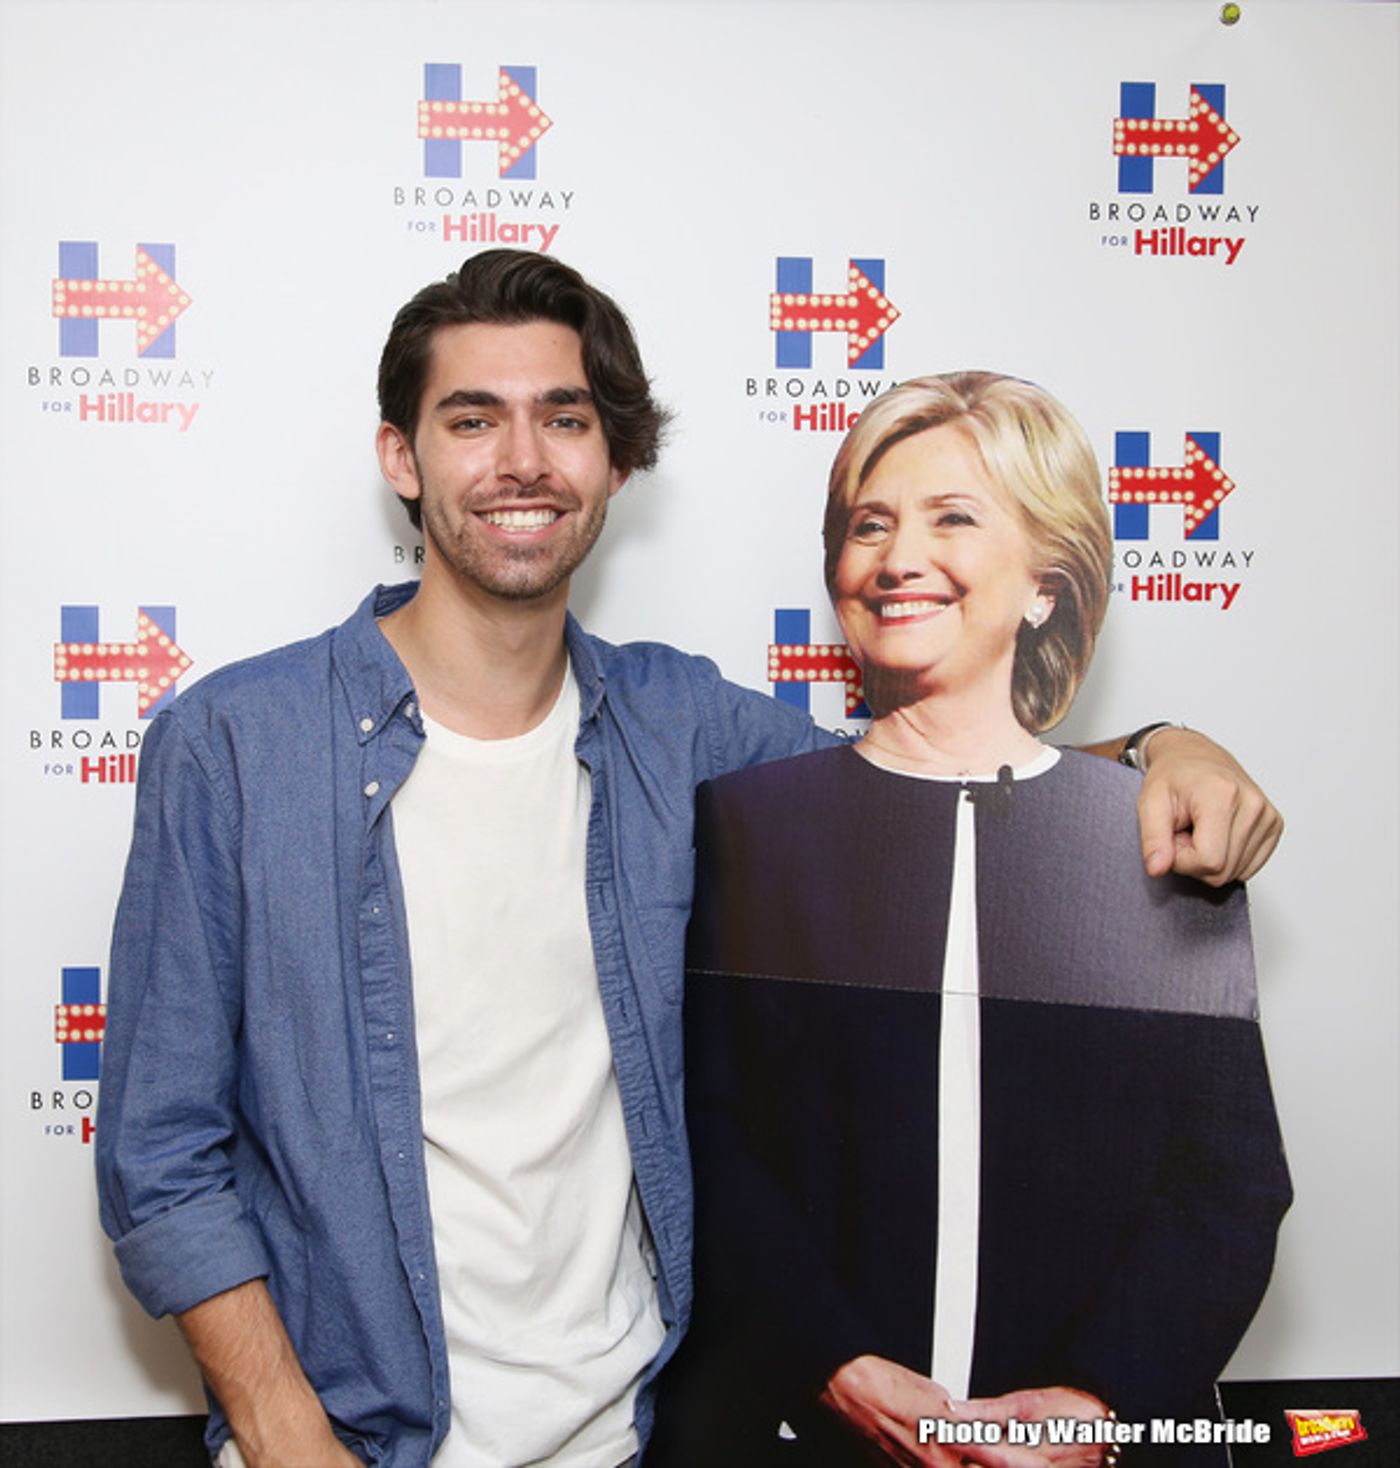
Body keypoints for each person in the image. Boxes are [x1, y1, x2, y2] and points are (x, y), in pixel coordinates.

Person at [94, 258, 1281, 1468]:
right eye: (471, 419)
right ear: (401, 459)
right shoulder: (235, 745)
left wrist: (1152, 747)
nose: (521, 461)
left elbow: (925, 779)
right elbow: (160, 1154)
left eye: (563, 418)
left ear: (613, 461)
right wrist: (288, 1439)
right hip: (351, 1439)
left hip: (631, 1437)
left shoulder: (686, 729)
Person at [649, 373, 1291, 1468]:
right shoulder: (747, 820)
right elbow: (709, 1142)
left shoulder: (1157, 837)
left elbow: (1224, 1185)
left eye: (952, 516)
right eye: (869, 523)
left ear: (1045, 584)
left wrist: (1097, 1407)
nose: (899, 556)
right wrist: (837, 1365)